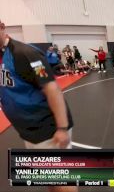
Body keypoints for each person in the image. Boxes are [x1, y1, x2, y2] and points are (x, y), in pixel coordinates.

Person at [0, 20, 77, 192]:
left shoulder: (24, 54)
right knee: (47, 177)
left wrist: (62, 128)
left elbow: (52, 89)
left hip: (48, 128)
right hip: (29, 130)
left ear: (2, 27)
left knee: (62, 181)